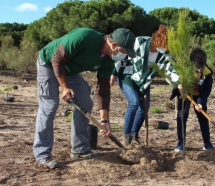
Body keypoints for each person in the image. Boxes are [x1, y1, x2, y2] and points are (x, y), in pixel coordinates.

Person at [33, 27, 136, 169]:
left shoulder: (108, 59)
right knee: (49, 106)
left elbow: (103, 89)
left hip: (70, 70)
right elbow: (57, 59)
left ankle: (80, 149)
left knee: (85, 102)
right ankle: (42, 154)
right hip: (49, 64)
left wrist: (105, 120)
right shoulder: (83, 37)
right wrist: (64, 87)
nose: (124, 56)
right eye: (124, 52)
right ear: (114, 45)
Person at [110, 25, 179, 146]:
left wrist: (179, 84)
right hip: (126, 74)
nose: (163, 49)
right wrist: (114, 72)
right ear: (157, 41)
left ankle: (134, 134)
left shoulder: (165, 55)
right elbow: (123, 55)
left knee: (144, 108)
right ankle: (126, 136)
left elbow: (170, 71)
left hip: (143, 80)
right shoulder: (139, 41)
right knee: (134, 102)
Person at [170, 47, 214, 152]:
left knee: (203, 118)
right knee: (181, 117)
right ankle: (181, 142)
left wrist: (200, 103)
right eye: (197, 68)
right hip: (184, 94)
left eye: (201, 68)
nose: (199, 70)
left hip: (199, 96)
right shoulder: (184, 69)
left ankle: (207, 142)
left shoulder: (207, 74)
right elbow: (174, 78)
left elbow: (207, 90)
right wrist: (179, 86)